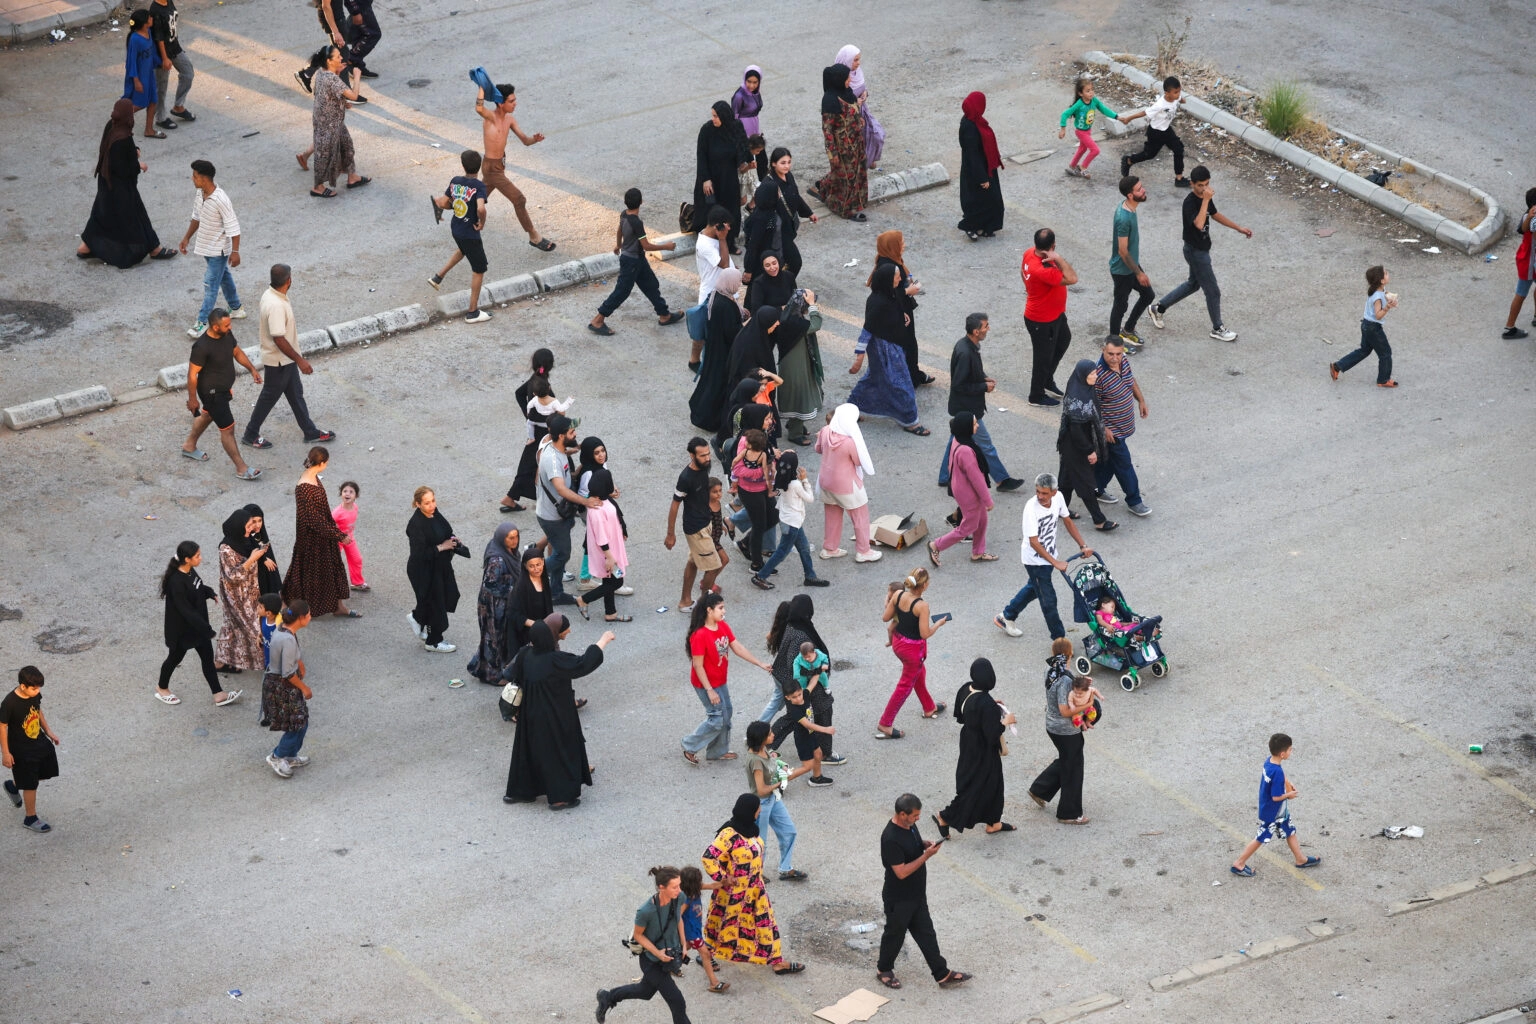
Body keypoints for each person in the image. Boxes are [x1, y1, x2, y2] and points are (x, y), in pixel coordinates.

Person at [503, 622, 613, 808]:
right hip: (555, 715)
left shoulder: (525, 655)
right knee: (558, 753)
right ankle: (560, 798)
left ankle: (522, 792)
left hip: (529, 714)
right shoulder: (556, 660)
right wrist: (603, 640)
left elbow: (513, 674)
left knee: (528, 752)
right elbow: (583, 663)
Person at [702, 793, 805, 974]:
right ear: (750, 811)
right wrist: (723, 878)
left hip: (756, 889)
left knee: (766, 924)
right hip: (733, 893)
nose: (760, 811)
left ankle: (777, 961)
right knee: (722, 923)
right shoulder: (728, 834)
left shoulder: (751, 829)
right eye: (758, 808)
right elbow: (708, 857)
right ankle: (706, 953)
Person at [876, 793, 969, 990]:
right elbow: (900, 872)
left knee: (926, 933)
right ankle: (883, 969)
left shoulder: (909, 825)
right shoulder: (891, 838)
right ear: (902, 814)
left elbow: (913, 846)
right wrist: (926, 856)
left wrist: (922, 844)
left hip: (916, 894)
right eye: (915, 816)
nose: (918, 819)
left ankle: (941, 973)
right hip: (899, 898)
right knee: (895, 935)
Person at [1148, 165, 1250, 342]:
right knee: (1213, 291)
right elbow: (1199, 224)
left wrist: (1238, 228)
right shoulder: (1189, 202)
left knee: (1193, 284)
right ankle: (1217, 328)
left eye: (1207, 184)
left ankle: (1159, 308)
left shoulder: (1205, 198)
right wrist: (1205, 200)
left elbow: (1215, 214)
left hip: (1202, 249)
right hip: (1195, 252)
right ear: (1192, 184)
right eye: (1201, 185)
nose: (1205, 188)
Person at [243, 264, 335, 448]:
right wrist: (300, 360)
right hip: (279, 360)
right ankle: (250, 433)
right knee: (269, 396)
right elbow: (279, 338)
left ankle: (310, 431)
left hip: (285, 359)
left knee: (295, 394)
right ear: (288, 280)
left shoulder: (270, 294)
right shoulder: (276, 305)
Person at [77, 100, 177, 266]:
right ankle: (154, 249)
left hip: (105, 180)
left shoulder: (112, 126)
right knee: (137, 216)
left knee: (101, 214)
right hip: (119, 188)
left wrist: (134, 150)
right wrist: (138, 165)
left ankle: (85, 247)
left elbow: (111, 149)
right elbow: (123, 168)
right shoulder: (122, 137)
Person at [994, 474, 1094, 639]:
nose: (1040, 496)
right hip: (1034, 560)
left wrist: (1083, 545)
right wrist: (1055, 563)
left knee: (1035, 588)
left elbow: (1067, 521)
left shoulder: (1059, 498)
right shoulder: (1030, 508)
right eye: (1038, 492)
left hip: (1048, 556)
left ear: (1054, 492)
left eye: (1044, 493)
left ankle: (1006, 616)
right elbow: (1033, 542)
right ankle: (1059, 639)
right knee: (1048, 600)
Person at [595, 866, 694, 1024]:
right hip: (652, 961)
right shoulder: (645, 911)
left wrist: (683, 944)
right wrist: (657, 953)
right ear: (661, 887)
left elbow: (678, 918)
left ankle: (608, 997)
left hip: (669, 955)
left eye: (679, 885)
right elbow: (638, 935)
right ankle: (608, 997)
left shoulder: (679, 897)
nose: (679, 889)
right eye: (674, 886)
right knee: (677, 1002)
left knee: (645, 992)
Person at [681, 594, 771, 766]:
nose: (724, 611)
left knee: (726, 713)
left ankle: (717, 752)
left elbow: (737, 647)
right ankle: (689, 746)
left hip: (719, 681)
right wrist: (709, 690)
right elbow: (698, 666)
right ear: (709, 610)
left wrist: (759, 663)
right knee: (717, 718)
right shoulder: (699, 635)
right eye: (720, 608)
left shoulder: (722, 626)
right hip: (705, 684)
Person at [937, 314, 1022, 491]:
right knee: (985, 445)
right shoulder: (966, 352)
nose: (988, 329)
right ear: (976, 331)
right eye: (985, 326)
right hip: (967, 409)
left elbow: (970, 374)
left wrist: (983, 378)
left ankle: (945, 476)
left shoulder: (967, 346)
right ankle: (1002, 480)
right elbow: (960, 385)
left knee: (956, 440)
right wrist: (984, 386)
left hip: (964, 407)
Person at [931, 659, 1015, 837]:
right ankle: (945, 816)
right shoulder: (985, 703)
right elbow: (992, 734)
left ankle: (994, 822)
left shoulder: (966, 688)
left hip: (968, 741)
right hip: (983, 750)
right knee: (981, 785)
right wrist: (1006, 721)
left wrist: (992, 706)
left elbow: (961, 716)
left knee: (982, 782)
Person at [157, 540, 241, 707]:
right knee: (174, 659)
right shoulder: (176, 582)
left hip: (198, 627)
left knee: (207, 659)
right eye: (197, 556)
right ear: (187, 559)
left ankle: (218, 694)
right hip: (183, 631)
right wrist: (207, 629)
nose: (200, 558)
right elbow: (186, 611)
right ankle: (162, 688)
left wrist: (208, 592)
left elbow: (197, 587)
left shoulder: (189, 571)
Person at [590, 188, 686, 334]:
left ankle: (664, 315)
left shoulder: (624, 214)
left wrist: (618, 245)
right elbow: (646, 245)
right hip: (632, 262)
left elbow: (619, 230)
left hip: (636, 259)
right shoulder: (637, 222)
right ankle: (598, 320)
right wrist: (666, 246)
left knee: (651, 285)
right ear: (641, 202)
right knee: (622, 291)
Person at [182, 309, 262, 480]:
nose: (230, 327)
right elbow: (191, 374)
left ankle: (189, 446)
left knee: (208, 416)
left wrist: (252, 369)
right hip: (212, 393)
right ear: (215, 327)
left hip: (223, 389)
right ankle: (241, 468)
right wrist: (192, 399)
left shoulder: (226, 334)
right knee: (228, 428)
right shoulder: (201, 347)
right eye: (226, 325)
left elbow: (237, 352)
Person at [473, 84, 554, 250]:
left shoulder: (510, 120)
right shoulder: (491, 117)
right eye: (511, 101)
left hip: (499, 165)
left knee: (478, 198)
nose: (515, 103)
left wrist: (535, 139)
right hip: (491, 168)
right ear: (501, 103)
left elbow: (525, 141)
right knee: (518, 199)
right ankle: (534, 236)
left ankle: (445, 203)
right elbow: (479, 108)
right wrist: (482, 86)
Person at [1230, 733, 1322, 876]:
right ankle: (1239, 863)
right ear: (1282, 754)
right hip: (1273, 812)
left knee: (1289, 830)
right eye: (1290, 749)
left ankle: (1300, 859)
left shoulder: (1269, 762)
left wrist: (1287, 782)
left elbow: (1279, 776)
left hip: (1275, 810)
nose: (1291, 751)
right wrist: (1289, 794)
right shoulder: (1277, 772)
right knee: (1261, 837)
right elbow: (1276, 797)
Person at [848, 265, 925, 435]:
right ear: (888, 279)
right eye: (897, 276)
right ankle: (910, 421)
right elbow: (867, 329)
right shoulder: (877, 302)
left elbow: (895, 304)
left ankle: (852, 408)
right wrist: (859, 357)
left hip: (892, 346)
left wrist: (901, 315)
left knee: (874, 378)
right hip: (884, 350)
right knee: (902, 383)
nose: (900, 279)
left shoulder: (890, 293)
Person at [282, 447, 357, 619]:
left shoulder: (312, 476)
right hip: (312, 539)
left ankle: (339, 606)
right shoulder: (304, 488)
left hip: (323, 535)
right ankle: (286, 601)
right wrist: (339, 535)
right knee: (307, 572)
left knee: (332, 569)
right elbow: (313, 520)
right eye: (326, 462)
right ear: (322, 463)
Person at [536, 415, 600, 606]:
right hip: (552, 517)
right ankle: (528, 574)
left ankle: (555, 593)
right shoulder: (553, 460)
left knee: (558, 552)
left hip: (558, 514)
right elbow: (561, 489)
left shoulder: (555, 447)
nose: (576, 433)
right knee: (562, 554)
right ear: (562, 435)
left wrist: (580, 458)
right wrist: (586, 502)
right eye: (572, 432)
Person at [877, 568, 948, 738]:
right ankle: (885, 723)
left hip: (898, 643)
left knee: (919, 674)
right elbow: (925, 634)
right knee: (905, 686)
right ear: (925, 585)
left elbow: (886, 618)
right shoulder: (922, 606)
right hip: (913, 652)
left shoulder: (898, 594)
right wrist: (938, 623)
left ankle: (929, 707)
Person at [178, 159, 244, 338]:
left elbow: (233, 227)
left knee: (210, 285)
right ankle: (236, 307)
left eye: (195, 176)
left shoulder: (221, 199)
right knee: (223, 276)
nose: (192, 179)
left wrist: (235, 252)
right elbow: (196, 217)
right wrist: (186, 238)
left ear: (204, 179)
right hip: (206, 248)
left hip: (218, 251)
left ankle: (201, 322)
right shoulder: (200, 194)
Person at [427, 149, 494, 324]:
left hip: (456, 227)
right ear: (479, 166)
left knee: (463, 250)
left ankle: (438, 276)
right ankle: (473, 312)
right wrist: (482, 221)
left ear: (463, 165)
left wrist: (438, 207)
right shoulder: (479, 186)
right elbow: (481, 208)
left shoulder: (455, 181)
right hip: (470, 232)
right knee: (479, 269)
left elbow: (444, 201)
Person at [860, 230, 929, 388]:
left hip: (901, 308)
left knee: (909, 344)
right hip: (897, 311)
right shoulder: (887, 266)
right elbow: (884, 292)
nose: (904, 245)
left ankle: (913, 374)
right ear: (892, 247)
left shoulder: (892, 260)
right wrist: (907, 291)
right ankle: (910, 378)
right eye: (901, 243)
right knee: (906, 345)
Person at [1093, 336, 1152, 515]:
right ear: (1103, 350)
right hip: (1113, 431)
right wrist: (1104, 428)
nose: (1115, 358)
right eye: (1110, 354)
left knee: (1109, 462)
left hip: (1125, 425)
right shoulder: (1098, 374)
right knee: (1124, 464)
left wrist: (1140, 399)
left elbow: (1130, 380)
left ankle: (1095, 488)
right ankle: (1134, 500)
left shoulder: (1123, 361)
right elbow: (1093, 405)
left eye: (1118, 354)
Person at [405, 486, 469, 652]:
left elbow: (444, 530)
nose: (431, 505)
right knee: (436, 605)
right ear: (418, 504)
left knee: (449, 596)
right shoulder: (416, 525)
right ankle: (434, 641)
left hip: (440, 566)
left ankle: (417, 617)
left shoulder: (435, 513)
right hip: (423, 571)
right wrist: (442, 546)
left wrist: (453, 539)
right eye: (426, 503)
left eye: (432, 501)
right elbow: (419, 554)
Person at [1056, 360, 1117, 532]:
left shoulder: (1083, 388)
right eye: (1092, 374)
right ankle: (1098, 520)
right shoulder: (1077, 397)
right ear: (1083, 376)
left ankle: (1061, 510)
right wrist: (1089, 451)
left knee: (1066, 481)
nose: (1095, 376)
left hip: (1073, 444)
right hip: (1076, 446)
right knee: (1086, 484)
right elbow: (1076, 430)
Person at [214, 506, 277, 674]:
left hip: (251, 591)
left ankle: (220, 663)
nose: (251, 529)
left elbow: (256, 549)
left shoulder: (245, 538)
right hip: (237, 596)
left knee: (232, 626)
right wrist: (252, 559)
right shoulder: (226, 549)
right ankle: (271, 661)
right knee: (254, 628)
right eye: (248, 525)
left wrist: (261, 557)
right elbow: (232, 576)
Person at [1026, 665, 1092, 825]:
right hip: (1066, 731)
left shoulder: (1049, 670)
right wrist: (1088, 704)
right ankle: (1069, 813)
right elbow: (1065, 710)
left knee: (1067, 760)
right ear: (1068, 655)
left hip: (1053, 726)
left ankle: (1040, 790)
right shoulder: (1065, 679)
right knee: (1074, 769)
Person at [752, 452, 827, 590]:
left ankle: (810, 576)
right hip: (793, 523)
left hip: (790, 521)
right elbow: (810, 498)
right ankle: (760, 576)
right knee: (781, 552)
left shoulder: (780, 478)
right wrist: (805, 480)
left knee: (804, 548)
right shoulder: (795, 484)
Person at [816, 404, 882, 562]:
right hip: (847, 485)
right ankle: (863, 551)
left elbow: (818, 449)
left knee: (832, 515)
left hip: (826, 481)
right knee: (860, 517)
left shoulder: (825, 431)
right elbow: (859, 461)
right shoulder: (849, 442)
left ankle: (830, 548)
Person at [746, 721, 809, 882]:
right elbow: (760, 790)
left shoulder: (764, 751)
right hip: (762, 804)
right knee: (761, 842)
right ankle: (756, 874)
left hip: (773, 798)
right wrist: (780, 783)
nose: (773, 734)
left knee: (789, 831)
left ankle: (786, 868)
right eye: (769, 734)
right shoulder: (756, 761)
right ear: (761, 739)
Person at [302, 45, 368, 198]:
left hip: (333, 121)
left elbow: (326, 94)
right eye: (337, 57)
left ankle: (352, 177)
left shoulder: (322, 73)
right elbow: (354, 95)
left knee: (347, 146)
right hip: (328, 124)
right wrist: (357, 77)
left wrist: (342, 102)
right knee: (324, 155)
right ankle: (317, 188)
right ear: (329, 61)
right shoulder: (331, 78)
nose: (341, 59)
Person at [928, 414, 995, 565]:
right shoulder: (966, 450)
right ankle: (936, 545)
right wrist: (988, 500)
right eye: (974, 424)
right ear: (966, 428)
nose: (977, 426)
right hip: (968, 493)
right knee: (969, 526)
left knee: (982, 520)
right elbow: (976, 479)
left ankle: (978, 552)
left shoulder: (958, 439)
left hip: (961, 487)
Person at [666, 438, 723, 613]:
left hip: (705, 524)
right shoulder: (685, 478)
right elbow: (675, 505)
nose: (707, 458)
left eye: (708, 454)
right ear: (692, 455)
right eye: (702, 455)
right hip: (696, 529)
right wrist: (670, 534)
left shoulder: (704, 469)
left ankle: (685, 601)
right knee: (715, 565)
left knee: (693, 563)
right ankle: (703, 606)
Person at [1023, 229, 1078, 407]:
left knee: (1064, 340)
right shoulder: (1044, 270)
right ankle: (1036, 395)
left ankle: (1047, 380)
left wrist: (1030, 288)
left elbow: (1022, 272)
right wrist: (1059, 258)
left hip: (1055, 315)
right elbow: (1072, 278)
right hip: (1042, 321)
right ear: (1053, 246)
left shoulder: (1029, 253)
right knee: (1042, 358)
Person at [2, 667, 61, 834]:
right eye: (34, 688)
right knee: (30, 783)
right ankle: (30, 818)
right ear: (23, 686)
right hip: (21, 749)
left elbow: (38, 710)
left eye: (39, 688)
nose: (37, 691)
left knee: (43, 772)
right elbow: (2, 727)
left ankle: (13, 786)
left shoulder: (34, 695)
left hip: (39, 742)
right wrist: (6, 753)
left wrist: (48, 731)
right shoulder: (9, 703)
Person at [261, 601, 313, 779]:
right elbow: (288, 674)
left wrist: (299, 661)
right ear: (300, 618)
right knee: (296, 724)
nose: (310, 617)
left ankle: (290, 755)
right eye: (308, 615)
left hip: (278, 684)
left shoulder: (283, 628)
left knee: (300, 721)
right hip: (283, 686)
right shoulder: (288, 639)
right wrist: (305, 689)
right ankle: (277, 756)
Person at [688, 268, 745, 432]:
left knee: (710, 381)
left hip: (715, 348)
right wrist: (745, 325)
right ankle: (709, 419)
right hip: (723, 353)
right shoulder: (726, 305)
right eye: (737, 281)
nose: (739, 283)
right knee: (717, 385)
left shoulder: (718, 295)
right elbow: (732, 333)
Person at [691, 102, 751, 253]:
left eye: (716, 116)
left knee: (730, 210)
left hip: (728, 178)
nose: (713, 119)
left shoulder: (735, 127)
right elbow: (701, 155)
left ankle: (729, 244)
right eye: (712, 115)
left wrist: (746, 162)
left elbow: (743, 148)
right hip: (710, 178)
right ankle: (711, 243)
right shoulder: (707, 130)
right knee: (711, 211)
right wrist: (705, 178)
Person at [812, 64, 868, 221]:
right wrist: (832, 153)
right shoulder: (830, 101)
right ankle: (846, 209)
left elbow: (853, 110)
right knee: (847, 178)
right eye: (847, 78)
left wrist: (860, 119)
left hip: (857, 143)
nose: (850, 80)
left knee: (857, 173)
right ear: (839, 80)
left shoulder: (847, 93)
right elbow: (827, 130)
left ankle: (823, 186)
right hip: (843, 148)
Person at [502, 347, 555, 513]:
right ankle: (569, 499)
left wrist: (528, 415)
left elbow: (519, 394)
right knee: (559, 462)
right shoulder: (541, 383)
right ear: (551, 365)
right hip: (544, 433)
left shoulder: (535, 379)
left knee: (528, 464)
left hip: (537, 431)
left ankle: (510, 497)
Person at [575, 470, 631, 623]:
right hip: (607, 552)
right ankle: (584, 600)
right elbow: (601, 538)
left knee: (608, 581)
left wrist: (622, 530)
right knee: (617, 581)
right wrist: (610, 557)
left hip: (611, 549)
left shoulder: (603, 500)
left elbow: (616, 514)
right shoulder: (597, 509)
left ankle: (610, 613)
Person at [467, 523, 521, 683]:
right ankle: (491, 675)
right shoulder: (497, 560)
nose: (515, 541)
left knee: (497, 638)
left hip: (501, 605)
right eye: (510, 538)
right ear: (502, 538)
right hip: (492, 607)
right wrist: (511, 589)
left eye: (516, 536)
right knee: (493, 638)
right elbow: (490, 585)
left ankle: (480, 667)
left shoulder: (507, 552)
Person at [1330, 265, 1398, 388]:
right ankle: (1383, 379)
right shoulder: (1377, 297)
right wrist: (1387, 307)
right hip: (1373, 328)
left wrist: (1389, 298)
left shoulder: (1377, 290)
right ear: (1382, 280)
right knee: (1385, 353)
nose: (1388, 274)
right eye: (1386, 273)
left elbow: (1384, 293)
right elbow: (1378, 315)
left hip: (1366, 325)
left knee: (1364, 350)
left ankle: (1337, 366)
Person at [1109, 176, 1155, 349]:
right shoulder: (1123, 218)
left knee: (1148, 295)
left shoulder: (1130, 207)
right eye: (1139, 189)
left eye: (1141, 187)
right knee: (1120, 306)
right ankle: (1114, 343)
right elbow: (1122, 251)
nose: (1143, 190)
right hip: (1123, 270)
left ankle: (1128, 330)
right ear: (1130, 195)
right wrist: (1139, 273)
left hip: (1131, 265)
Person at [1120, 75, 1189, 188]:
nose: (1178, 94)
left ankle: (1179, 178)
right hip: (1156, 133)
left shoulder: (1176, 97)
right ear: (1167, 93)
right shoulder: (1160, 105)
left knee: (1179, 149)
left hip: (1167, 130)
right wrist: (1129, 118)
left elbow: (1180, 98)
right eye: (1176, 92)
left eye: (1179, 91)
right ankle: (1129, 160)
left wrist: (1181, 99)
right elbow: (1144, 113)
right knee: (1149, 154)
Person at [956, 91, 1004, 240]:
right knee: (979, 202)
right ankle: (970, 227)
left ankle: (985, 227)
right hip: (977, 171)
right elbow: (973, 155)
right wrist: (982, 178)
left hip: (985, 167)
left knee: (990, 200)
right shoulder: (970, 127)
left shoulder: (974, 120)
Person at [677, 866, 726, 994]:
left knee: (684, 948)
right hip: (692, 932)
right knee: (705, 954)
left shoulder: (695, 890)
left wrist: (724, 883)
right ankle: (714, 983)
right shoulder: (687, 898)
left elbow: (712, 886)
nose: (701, 882)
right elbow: (678, 917)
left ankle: (669, 963)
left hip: (695, 930)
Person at [834, 45, 884, 170]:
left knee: (877, 136)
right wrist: (855, 103)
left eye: (858, 59)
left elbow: (862, 87)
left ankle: (870, 159)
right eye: (855, 60)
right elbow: (837, 102)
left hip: (863, 112)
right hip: (849, 118)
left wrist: (865, 93)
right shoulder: (839, 78)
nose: (858, 63)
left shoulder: (857, 72)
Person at [1058, 77, 1118, 179]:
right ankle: (1083, 167)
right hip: (1081, 132)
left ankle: (1072, 166)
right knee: (1095, 150)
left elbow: (1104, 109)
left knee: (1082, 148)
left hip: (1088, 130)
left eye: (1092, 90)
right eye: (1088, 91)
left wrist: (1116, 116)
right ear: (1080, 94)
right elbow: (1065, 114)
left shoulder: (1094, 101)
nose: (1091, 93)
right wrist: (1063, 129)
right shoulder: (1079, 104)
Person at [150, 0, 195, 131]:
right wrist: (164, 58)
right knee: (161, 87)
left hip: (175, 48)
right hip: (161, 54)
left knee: (188, 73)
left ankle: (178, 107)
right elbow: (159, 38)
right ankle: (160, 118)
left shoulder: (169, 2)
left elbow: (172, 26)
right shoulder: (155, 9)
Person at [1501, 188, 1536, 339]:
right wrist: (1530, 218)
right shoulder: (1532, 219)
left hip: (1527, 260)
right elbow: (1526, 229)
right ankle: (1509, 328)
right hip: (1530, 262)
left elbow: (1521, 229)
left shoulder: (1526, 216)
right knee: (1521, 293)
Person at [123, 10, 162, 139]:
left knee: (152, 101)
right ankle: (118, 121)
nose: (151, 18)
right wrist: (136, 80)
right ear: (144, 23)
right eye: (149, 17)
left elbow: (153, 52)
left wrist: (160, 63)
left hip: (149, 75)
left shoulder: (148, 33)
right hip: (139, 77)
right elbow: (131, 62)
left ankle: (149, 130)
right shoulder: (135, 39)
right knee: (138, 104)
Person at [506, 547, 552, 655]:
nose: (536, 569)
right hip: (525, 634)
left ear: (543, 562)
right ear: (525, 567)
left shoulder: (544, 579)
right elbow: (512, 613)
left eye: (538, 564)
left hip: (541, 629)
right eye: (531, 566)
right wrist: (536, 625)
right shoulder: (521, 586)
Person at [332, 481, 367, 592]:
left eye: (351, 492)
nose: (347, 494)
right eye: (345, 491)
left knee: (357, 559)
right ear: (341, 494)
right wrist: (340, 536)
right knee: (332, 563)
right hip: (336, 540)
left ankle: (357, 582)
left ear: (356, 496)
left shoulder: (355, 507)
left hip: (349, 539)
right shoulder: (337, 513)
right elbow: (329, 527)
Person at [1094, 593, 1161, 641]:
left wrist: (1129, 623)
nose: (1113, 610)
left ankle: (1146, 633)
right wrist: (1107, 626)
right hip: (1118, 631)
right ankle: (1138, 637)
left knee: (1135, 625)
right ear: (1103, 605)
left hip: (1123, 628)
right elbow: (1100, 621)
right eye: (1112, 607)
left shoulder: (1112, 615)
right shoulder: (1099, 613)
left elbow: (1120, 623)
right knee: (1127, 633)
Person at [732, 66, 764, 138]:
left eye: (755, 82)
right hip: (743, 128)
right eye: (749, 81)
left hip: (754, 125)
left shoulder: (756, 92)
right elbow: (734, 117)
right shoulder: (739, 96)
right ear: (744, 80)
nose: (751, 85)